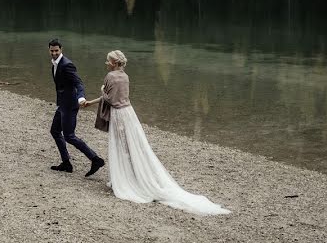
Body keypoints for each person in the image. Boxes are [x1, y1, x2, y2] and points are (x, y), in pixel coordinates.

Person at [80, 50, 230, 216]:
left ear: (114, 63)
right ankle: (131, 177)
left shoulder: (110, 77)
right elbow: (115, 97)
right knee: (133, 146)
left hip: (118, 116)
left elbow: (110, 99)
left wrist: (101, 90)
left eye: (108, 61)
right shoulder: (125, 76)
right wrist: (92, 102)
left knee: (121, 147)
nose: (106, 63)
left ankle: (124, 181)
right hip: (129, 113)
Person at [47, 38, 105, 177]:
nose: (54, 53)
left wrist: (81, 97)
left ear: (61, 50)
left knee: (69, 136)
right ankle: (66, 163)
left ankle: (95, 159)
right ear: (49, 50)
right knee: (55, 131)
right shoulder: (55, 63)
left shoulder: (67, 65)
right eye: (52, 51)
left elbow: (78, 83)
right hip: (62, 104)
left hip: (70, 105)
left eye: (56, 50)